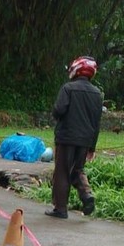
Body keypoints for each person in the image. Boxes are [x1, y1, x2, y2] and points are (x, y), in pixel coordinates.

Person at [45, 56, 102, 219]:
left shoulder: (68, 89)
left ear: (76, 69)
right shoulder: (97, 94)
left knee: (62, 172)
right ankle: (86, 194)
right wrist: (92, 147)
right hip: (85, 140)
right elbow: (96, 123)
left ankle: (60, 209)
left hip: (66, 137)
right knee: (78, 169)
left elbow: (59, 110)